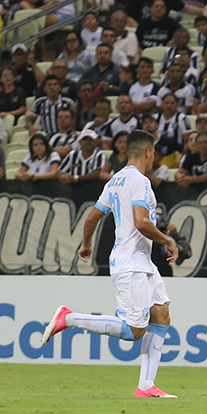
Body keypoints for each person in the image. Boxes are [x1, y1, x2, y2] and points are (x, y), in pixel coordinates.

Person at [40, 130, 180, 399]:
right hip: (131, 263)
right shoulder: (140, 181)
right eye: (154, 153)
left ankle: (147, 386)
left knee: (161, 314)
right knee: (132, 331)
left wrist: (87, 243)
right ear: (148, 152)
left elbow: (92, 217)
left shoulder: (115, 180)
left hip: (141, 262)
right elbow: (141, 221)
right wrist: (167, 240)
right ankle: (67, 318)